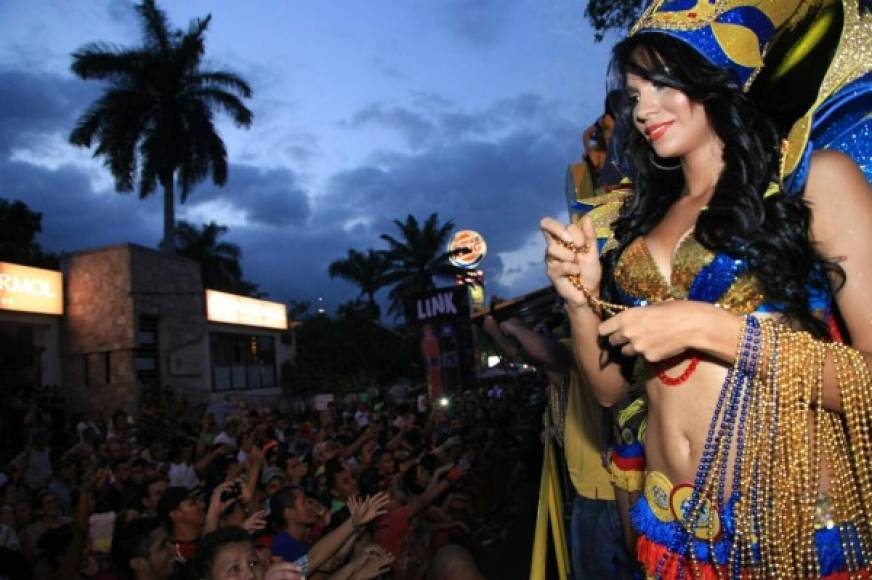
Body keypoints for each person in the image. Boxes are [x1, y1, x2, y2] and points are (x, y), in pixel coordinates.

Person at [541, 0, 872, 577]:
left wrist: (712, 329)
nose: (644, 107)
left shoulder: (814, 181)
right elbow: (610, 392)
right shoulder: (638, 220)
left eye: (660, 82)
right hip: (673, 533)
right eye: (634, 92)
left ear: (713, 76)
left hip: (791, 532)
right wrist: (579, 301)